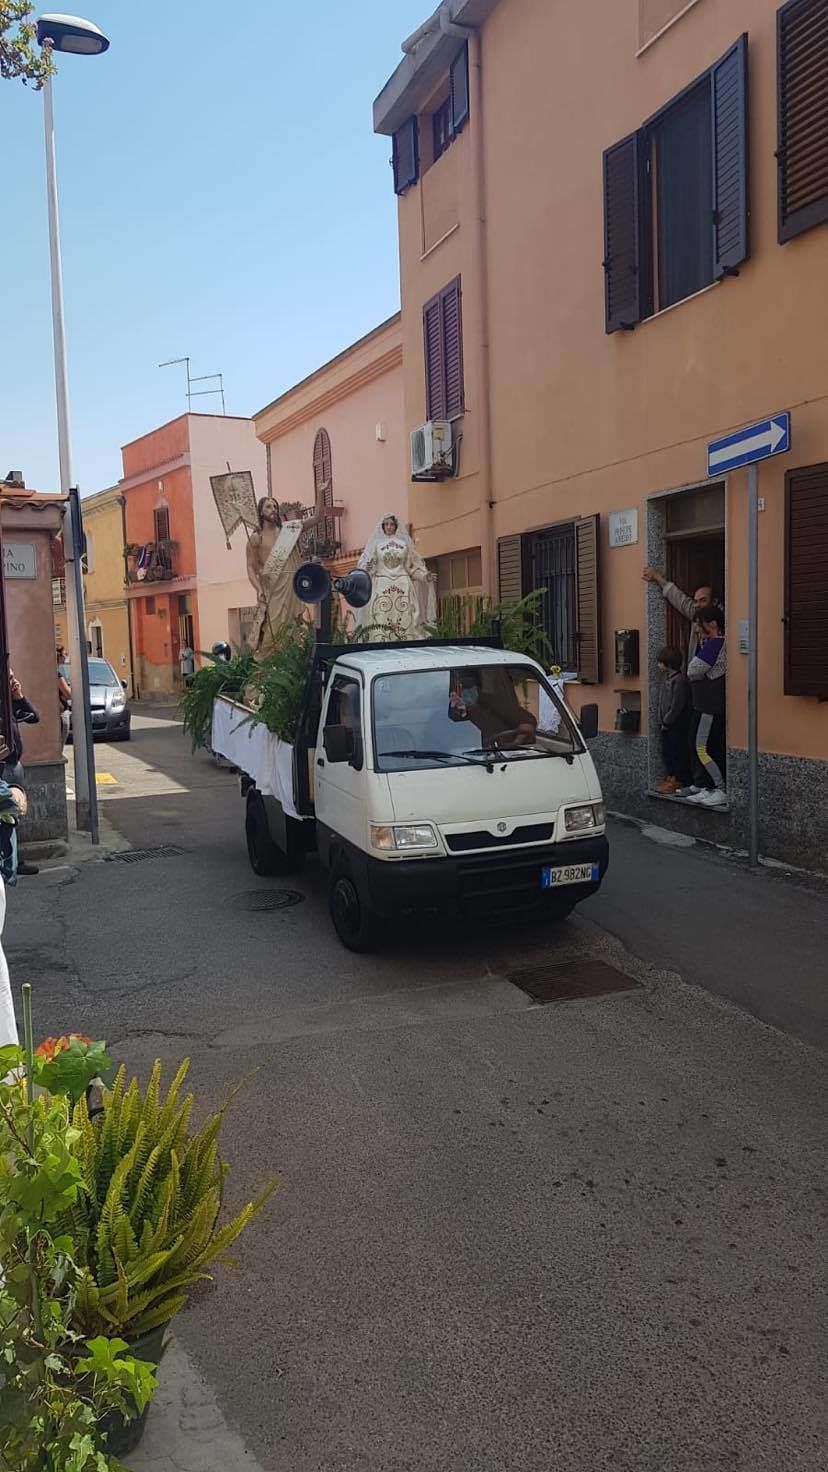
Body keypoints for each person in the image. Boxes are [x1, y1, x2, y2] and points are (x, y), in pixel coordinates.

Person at [246, 480, 329, 653]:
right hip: (272, 590)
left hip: (291, 588)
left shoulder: (289, 529)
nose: (273, 509)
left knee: (292, 630)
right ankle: (267, 666)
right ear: (261, 512)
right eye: (269, 507)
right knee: (271, 634)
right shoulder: (256, 539)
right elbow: (251, 567)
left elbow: (317, 518)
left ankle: (292, 664)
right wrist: (258, 589)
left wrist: (321, 493)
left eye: (275, 506)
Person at [354, 515, 436, 642]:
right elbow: (371, 568)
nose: (389, 527)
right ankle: (381, 642)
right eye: (386, 524)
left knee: (405, 614)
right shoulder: (377, 546)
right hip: (382, 585)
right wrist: (367, 569)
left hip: (403, 584)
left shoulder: (404, 545)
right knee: (381, 614)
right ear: (383, 527)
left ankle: (406, 641)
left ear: (396, 527)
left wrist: (425, 576)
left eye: (391, 524)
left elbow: (410, 569)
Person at [685, 606, 727, 808]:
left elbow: (692, 670)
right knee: (706, 746)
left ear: (713, 624)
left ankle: (720, 788)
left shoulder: (716, 643)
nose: (698, 632)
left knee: (702, 747)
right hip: (707, 704)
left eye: (700, 627)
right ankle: (708, 787)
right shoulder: (715, 644)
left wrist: (698, 674)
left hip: (708, 706)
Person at [3, 670, 39, 876]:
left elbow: (34, 717)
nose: (14, 680)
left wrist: (19, 697)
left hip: (15, 765)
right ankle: (9, 862)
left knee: (14, 814)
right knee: (6, 816)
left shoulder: (11, 703)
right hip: (4, 767)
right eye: (10, 677)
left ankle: (14, 860)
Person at [654, 646, 690, 795]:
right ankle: (670, 777)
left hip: (675, 724)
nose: (659, 665)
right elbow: (662, 701)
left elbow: (677, 705)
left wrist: (667, 721)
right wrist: (661, 719)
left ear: (669, 663)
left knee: (676, 751)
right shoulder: (666, 678)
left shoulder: (680, 680)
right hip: (665, 724)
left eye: (661, 662)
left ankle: (678, 779)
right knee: (667, 751)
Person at [57, 649, 71, 748]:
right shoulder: (57, 674)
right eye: (64, 654)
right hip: (61, 712)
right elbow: (68, 694)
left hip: (58, 712)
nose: (66, 656)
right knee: (60, 745)